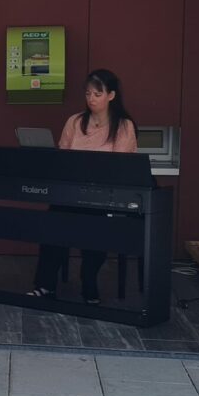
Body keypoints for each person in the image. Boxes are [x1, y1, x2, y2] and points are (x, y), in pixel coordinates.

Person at [27, 68, 138, 304]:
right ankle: (45, 285)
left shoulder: (123, 126)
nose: (91, 99)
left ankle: (89, 282)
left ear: (111, 95)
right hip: (71, 192)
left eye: (97, 94)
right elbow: (62, 157)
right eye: (88, 94)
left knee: (95, 229)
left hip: (103, 196)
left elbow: (120, 168)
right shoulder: (75, 121)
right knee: (52, 224)